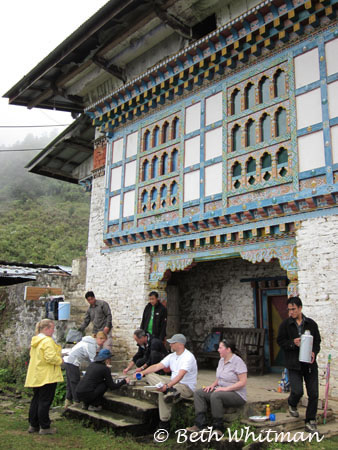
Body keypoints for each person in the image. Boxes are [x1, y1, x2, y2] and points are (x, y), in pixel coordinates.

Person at [134, 333, 197, 430]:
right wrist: (142, 373)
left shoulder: (188, 357)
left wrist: (167, 386)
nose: (170, 345)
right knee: (150, 375)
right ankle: (169, 391)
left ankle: (164, 425)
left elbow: (180, 376)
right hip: (173, 383)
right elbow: (157, 366)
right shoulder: (172, 356)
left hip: (185, 387)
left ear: (179, 344)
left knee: (162, 393)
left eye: (172, 343)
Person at [277, 296, 321, 433]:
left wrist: (314, 352)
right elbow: (280, 341)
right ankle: (292, 403)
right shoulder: (285, 325)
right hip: (293, 363)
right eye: (289, 310)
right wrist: (292, 343)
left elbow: (317, 342)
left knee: (313, 393)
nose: (291, 312)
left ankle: (310, 421)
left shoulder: (311, 324)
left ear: (300, 308)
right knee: (297, 391)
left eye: (293, 309)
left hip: (309, 364)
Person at [187, 339, 247, 436]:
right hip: (221, 390)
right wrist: (212, 386)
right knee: (199, 393)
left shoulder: (238, 362)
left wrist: (225, 389)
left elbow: (243, 382)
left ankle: (218, 427)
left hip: (237, 394)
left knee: (216, 395)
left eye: (220, 348)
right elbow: (219, 378)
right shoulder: (221, 360)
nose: (218, 350)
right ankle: (200, 424)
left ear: (228, 349)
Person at [25, 319, 63, 435]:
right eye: (52, 328)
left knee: (36, 400)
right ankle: (45, 426)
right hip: (47, 375)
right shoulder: (47, 341)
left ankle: (33, 424)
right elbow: (50, 357)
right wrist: (60, 360)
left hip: (37, 374)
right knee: (45, 401)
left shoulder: (36, 341)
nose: (53, 331)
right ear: (46, 329)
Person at [63, 331, 107, 408]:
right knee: (75, 381)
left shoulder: (88, 342)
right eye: (102, 341)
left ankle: (68, 400)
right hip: (72, 362)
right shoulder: (90, 345)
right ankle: (77, 401)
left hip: (69, 361)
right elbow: (93, 359)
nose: (102, 343)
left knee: (70, 382)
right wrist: (102, 367)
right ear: (98, 338)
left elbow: (87, 358)